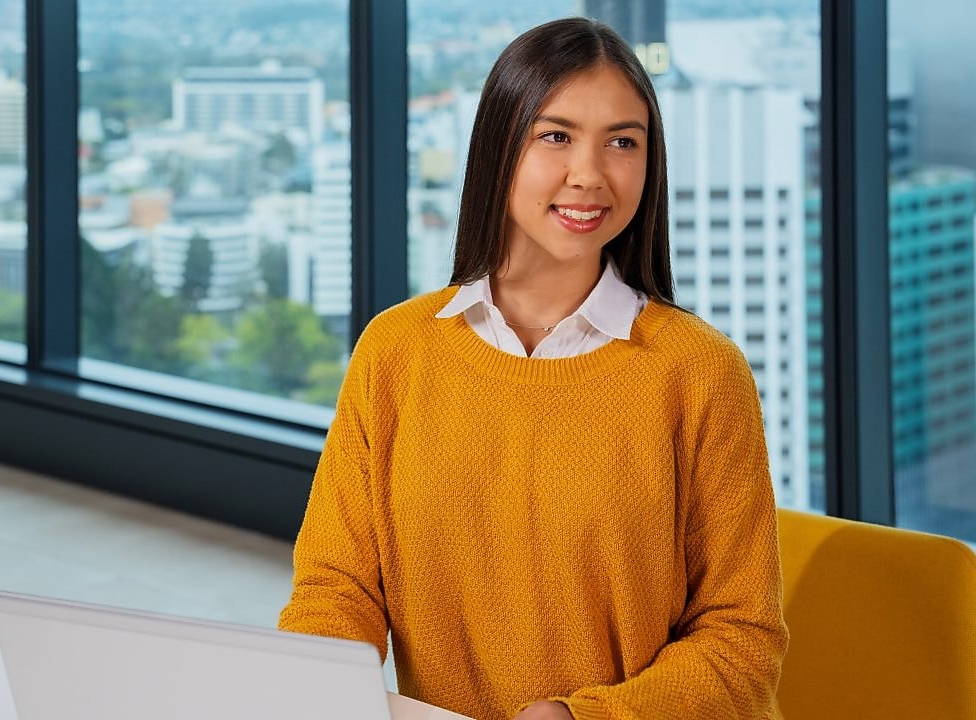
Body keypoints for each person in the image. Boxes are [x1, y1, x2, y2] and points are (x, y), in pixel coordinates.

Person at [279, 17, 788, 720]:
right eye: (556, 136)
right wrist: (315, 693)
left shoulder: (699, 372)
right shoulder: (395, 352)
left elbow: (742, 641)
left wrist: (581, 717)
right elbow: (336, 590)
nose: (590, 174)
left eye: (622, 142)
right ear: (497, 147)